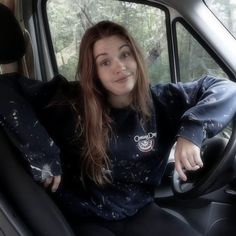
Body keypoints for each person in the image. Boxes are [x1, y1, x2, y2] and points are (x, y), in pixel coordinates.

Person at [20, 21, 236, 235]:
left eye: (125, 54)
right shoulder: (70, 103)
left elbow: (226, 87)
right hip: (84, 217)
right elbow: (6, 88)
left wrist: (192, 131)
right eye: (105, 62)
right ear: (93, 72)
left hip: (138, 210)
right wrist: (42, 152)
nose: (120, 67)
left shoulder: (164, 100)